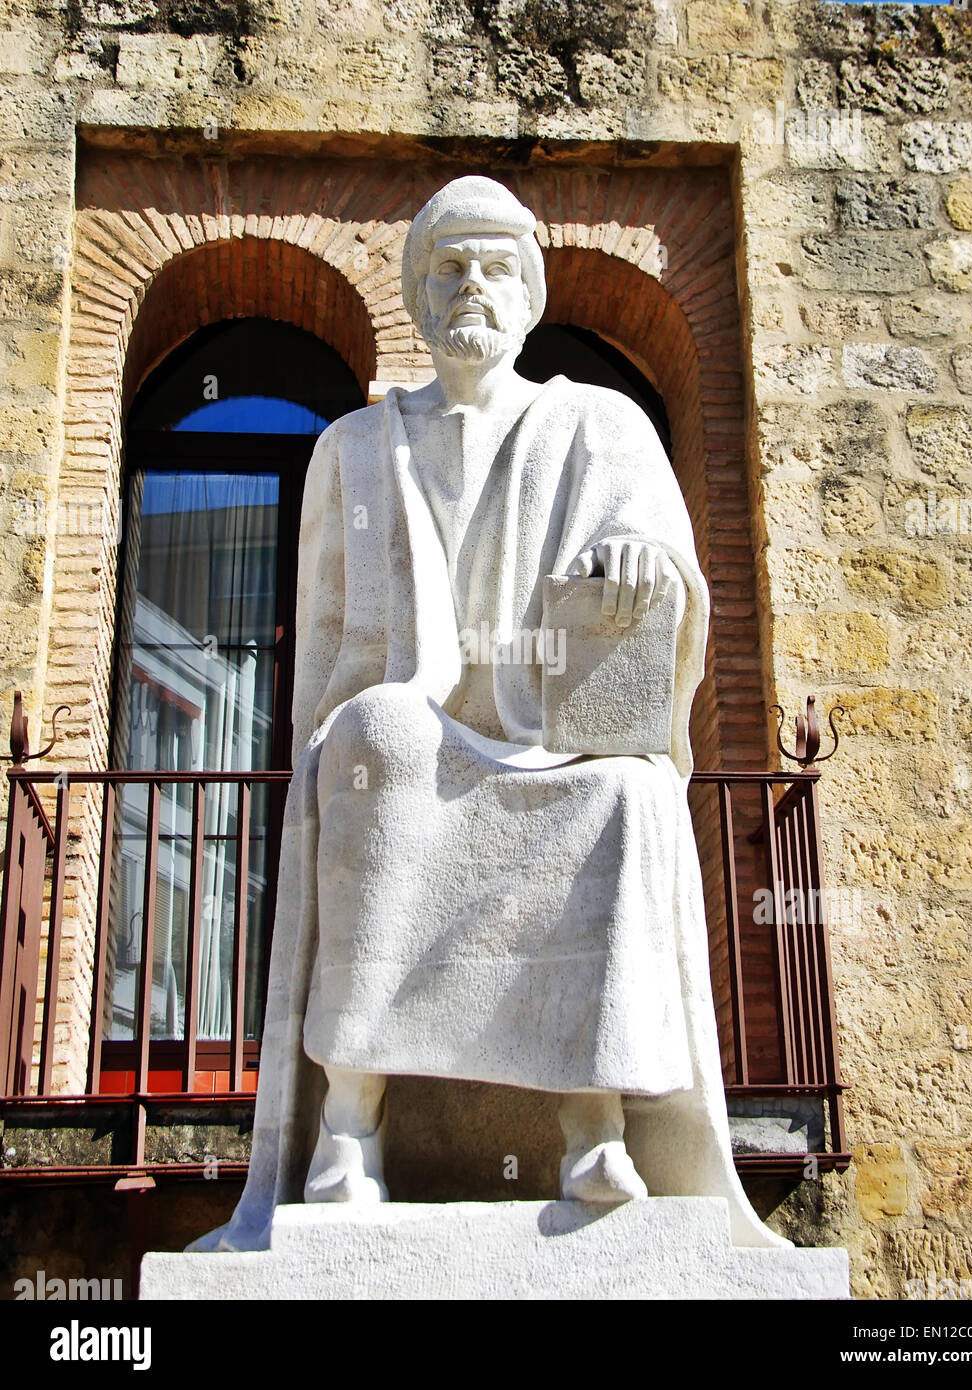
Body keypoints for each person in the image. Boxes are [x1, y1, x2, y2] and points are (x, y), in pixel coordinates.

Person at [190, 175, 786, 1252]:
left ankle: (592, 1128)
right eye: (450, 267)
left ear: (528, 293)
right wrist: (355, 717)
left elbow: (665, 590)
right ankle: (349, 1129)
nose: (473, 284)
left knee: (626, 792)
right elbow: (327, 650)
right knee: (367, 745)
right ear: (418, 299)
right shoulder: (352, 451)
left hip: (548, 735)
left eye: (496, 266)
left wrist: (639, 565)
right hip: (415, 739)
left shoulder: (599, 425)